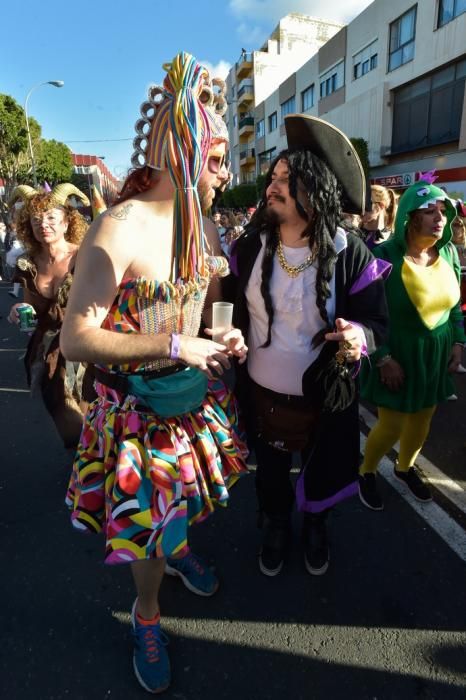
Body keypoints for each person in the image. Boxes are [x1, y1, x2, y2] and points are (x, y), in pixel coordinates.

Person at [60, 52, 248, 694]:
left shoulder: (208, 231)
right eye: (219, 159)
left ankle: (178, 549)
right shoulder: (121, 225)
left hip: (189, 403)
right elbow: (76, 336)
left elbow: (213, 301)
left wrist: (221, 332)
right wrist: (173, 340)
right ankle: (147, 612)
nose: (227, 174)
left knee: (185, 503)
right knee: (143, 532)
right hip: (134, 414)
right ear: (187, 150)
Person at [228, 114, 389, 578]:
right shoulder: (248, 248)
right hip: (261, 393)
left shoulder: (350, 250)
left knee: (321, 471)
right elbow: (228, 314)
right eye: (272, 178)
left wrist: (360, 337)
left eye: (286, 179)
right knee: (272, 473)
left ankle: (317, 525)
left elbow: (378, 321)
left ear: (313, 190)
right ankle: (276, 525)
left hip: (327, 396)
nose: (272, 187)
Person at [359, 174, 466, 511]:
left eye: (443, 213)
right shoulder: (382, 255)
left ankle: (404, 468)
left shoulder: (448, 253)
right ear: (410, 215)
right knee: (390, 424)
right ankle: (366, 471)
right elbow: (363, 311)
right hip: (396, 354)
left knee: (422, 419)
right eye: (430, 211)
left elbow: (455, 307)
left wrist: (458, 343)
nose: (440, 219)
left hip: (435, 355)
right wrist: (383, 358)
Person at [7, 183, 93, 448]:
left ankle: (97, 456)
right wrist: (19, 311)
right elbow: (31, 307)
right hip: (49, 351)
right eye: (35, 220)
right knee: (60, 407)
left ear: (67, 222)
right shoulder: (28, 263)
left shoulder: (86, 255)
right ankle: (81, 458)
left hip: (86, 343)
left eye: (50, 218)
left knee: (90, 406)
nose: (43, 224)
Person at [361, 184, 397, 249]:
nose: (361, 208)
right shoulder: (354, 235)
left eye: (366, 204)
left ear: (380, 206)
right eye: (360, 203)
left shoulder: (394, 238)